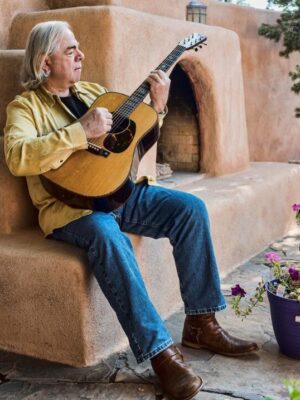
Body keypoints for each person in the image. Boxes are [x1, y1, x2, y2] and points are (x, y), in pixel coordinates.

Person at [4, 21, 258, 400]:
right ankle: (160, 353)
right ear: (44, 62)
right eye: (71, 50)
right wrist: (79, 131)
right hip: (72, 209)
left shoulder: (93, 92)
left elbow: (133, 135)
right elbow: (17, 156)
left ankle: (201, 322)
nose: (81, 55)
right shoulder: (26, 107)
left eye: (79, 48)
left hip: (123, 194)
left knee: (190, 208)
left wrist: (158, 107)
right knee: (108, 235)